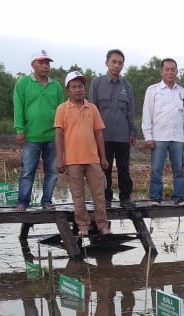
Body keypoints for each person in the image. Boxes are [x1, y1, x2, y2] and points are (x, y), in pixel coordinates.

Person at [54, 70, 111, 237]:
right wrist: (60, 159)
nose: (78, 89)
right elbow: (58, 135)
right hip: (72, 160)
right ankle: (83, 225)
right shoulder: (62, 109)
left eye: (80, 86)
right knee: (78, 196)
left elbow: (99, 133)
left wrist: (103, 157)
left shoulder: (92, 108)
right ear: (68, 90)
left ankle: (102, 225)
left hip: (92, 158)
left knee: (99, 195)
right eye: (74, 87)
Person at [13, 50, 65, 211]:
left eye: (47, 63)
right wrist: (20, 130)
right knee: (28, 170)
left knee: (52, 171)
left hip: (52, 136)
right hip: (31, 136)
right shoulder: (22, 83)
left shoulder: (55, 86)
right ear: (33, 65)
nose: (45, 66)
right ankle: (23, 202)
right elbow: (18, 107)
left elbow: (62, 110)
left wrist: (62, 133)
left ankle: (47, 201)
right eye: (41, 63)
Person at [88, 49, 137, 208]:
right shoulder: (97, 83)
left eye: (120, 63)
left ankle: (125, 197)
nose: (117, 65)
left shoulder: (127, 86)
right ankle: (105, 198)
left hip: (122, 136)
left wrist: (132, 131)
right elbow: (92, 110)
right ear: (106, 63)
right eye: (113, 62)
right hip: (103, 136)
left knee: (124, 168)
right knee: (104, 168)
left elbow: (131, 111)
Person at [141, 58, 184, 205]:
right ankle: (155, 198)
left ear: (176, 71)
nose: (170, 72)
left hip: (177, 137)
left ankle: (179, 197)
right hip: (158, 137)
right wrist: (148, 136)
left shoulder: (182, 92)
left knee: (179, 169)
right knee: (156, 169)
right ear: (161, 71)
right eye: (167, 69)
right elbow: (147, 114)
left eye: (173, 69)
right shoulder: (153, 90)